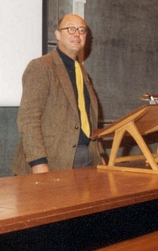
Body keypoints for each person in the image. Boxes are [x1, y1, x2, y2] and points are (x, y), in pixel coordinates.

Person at [12, 14, 104, 175]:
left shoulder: (81, 72)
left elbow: (88, 120)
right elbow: (28, 118)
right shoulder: (41, 67)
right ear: (57, 35)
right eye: (70, 29)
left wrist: (100, 155)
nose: (77, 34)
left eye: (82, 30)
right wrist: (38, 162)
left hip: (86, 159)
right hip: (51, 161)